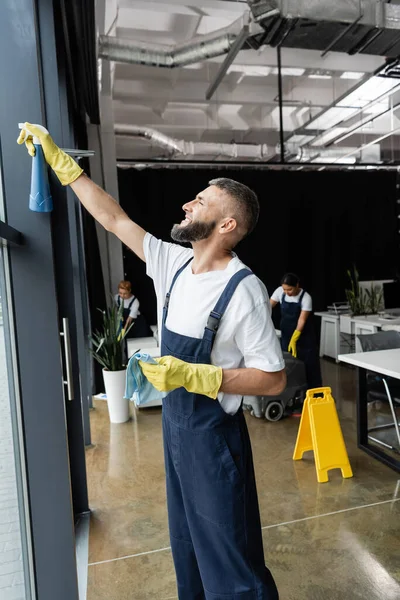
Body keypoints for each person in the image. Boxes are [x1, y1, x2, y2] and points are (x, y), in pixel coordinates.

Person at [18, 123, 286, 600]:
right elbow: (113, 218)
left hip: (214, 444)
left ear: (227, 225)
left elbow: (273, 379)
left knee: (231, 558)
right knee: (187, 547)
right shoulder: (173, 262)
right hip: (177, 433)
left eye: (200, 201)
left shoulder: (244, 289)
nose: (187, 205)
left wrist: (201, 375)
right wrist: (62, 164)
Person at [270, 273, 322, 390]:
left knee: (309, 366)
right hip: (286, 335)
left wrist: (295, 338)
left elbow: (302, 320)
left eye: (290, 289)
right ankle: (291, 392)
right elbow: (269, 306)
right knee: (289, 365)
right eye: (284, 289)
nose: (287, 292)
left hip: (304, 337)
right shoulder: (279, 292)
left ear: (297, 285)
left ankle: (314, 393)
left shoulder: (306, 297)